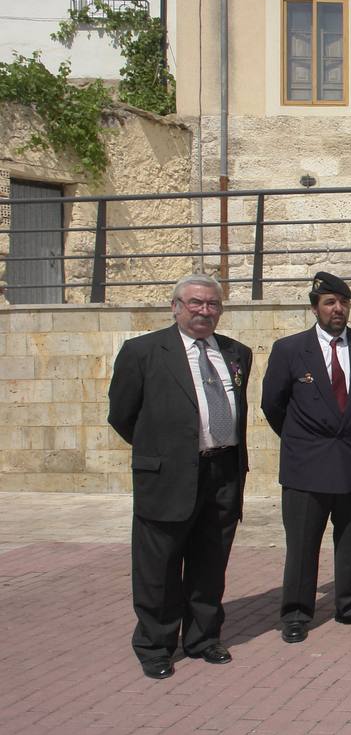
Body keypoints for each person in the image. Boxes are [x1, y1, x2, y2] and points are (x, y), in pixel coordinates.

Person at [108, 273, 252, 679]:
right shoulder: (143, 352)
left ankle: (203, 638)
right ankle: (155, 645)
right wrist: (164, 451)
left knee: (210, 563)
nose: (205, 311)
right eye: (196, 303)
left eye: (213, 304)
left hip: (223, 472)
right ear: (175, 307)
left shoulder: (237, 353)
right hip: (167, 476)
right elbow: (122, 415)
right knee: (159, 567)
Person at [262, 272, 351, 644]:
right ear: (315, 308)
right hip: (307, 463)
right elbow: (273, 404)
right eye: (330, 302)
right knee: (303, 543)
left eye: (343, 302)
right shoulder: (289, 349)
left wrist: (348, 429)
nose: (338, 309)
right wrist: (303, 439)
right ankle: (296, 613)